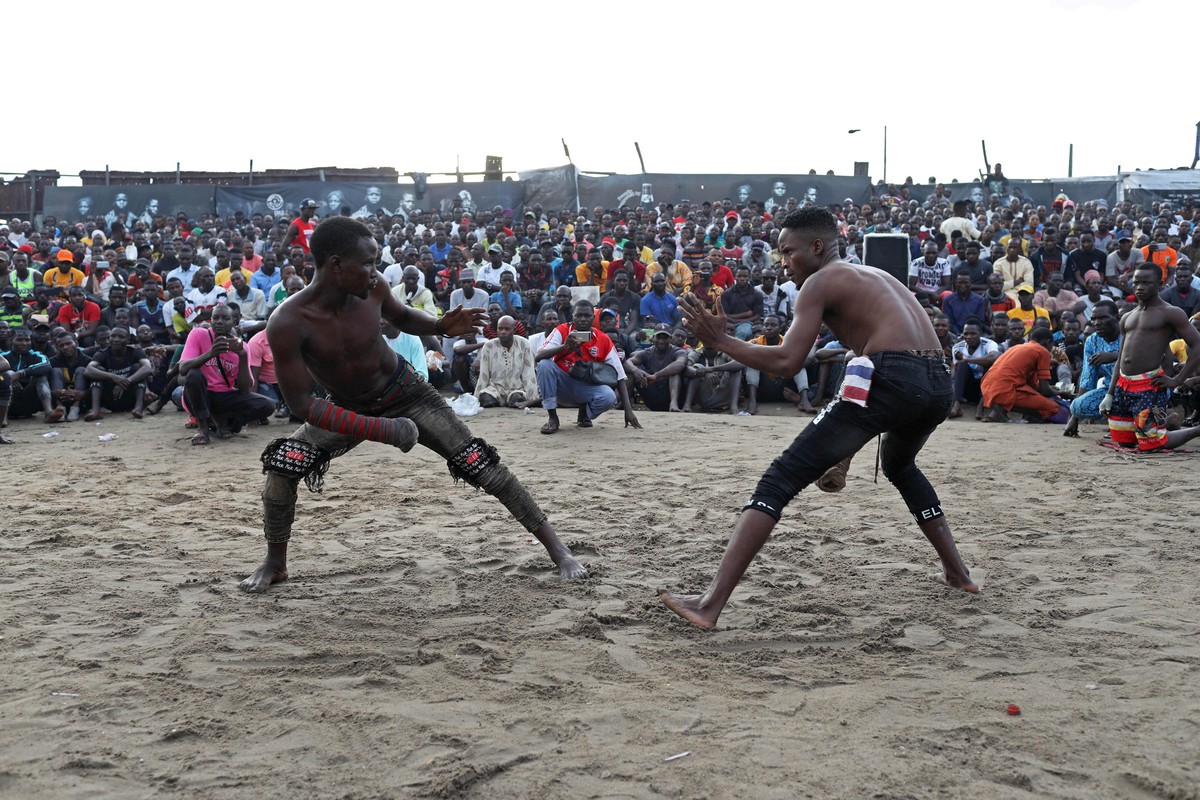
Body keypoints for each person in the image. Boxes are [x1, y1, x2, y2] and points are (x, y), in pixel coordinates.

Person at [660, 208, 977, 629]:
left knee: (779, 479)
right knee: (900, 466)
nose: (783, 262)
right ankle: (958, 573)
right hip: (937, 383)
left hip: (898, 378)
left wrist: (720, 340)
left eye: (787, 252)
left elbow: (789, 362)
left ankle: (708, 605)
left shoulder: (820, 280)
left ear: (816, 247)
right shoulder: (875, 276)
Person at [242, 216, 586, 593]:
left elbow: (402, 316)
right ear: (336, 264)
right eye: (368, 263)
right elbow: (303, 404)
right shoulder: (287, 321)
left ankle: (559, 551)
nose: (376, 273)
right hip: (344, 406)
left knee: (480, 463)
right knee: (283, 465)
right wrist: (380, 429)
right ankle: (276, 562)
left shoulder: (371, 290)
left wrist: (440, 326)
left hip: (407, 392)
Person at [1100, 263, 1200, 450]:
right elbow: (1121, 358)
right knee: (1125, 441)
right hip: (1124, 385)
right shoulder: (1127, 316)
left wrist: (1177, 380)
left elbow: (1197, 344)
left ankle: (1196, 430)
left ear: (1160, 284)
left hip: (1150, 386)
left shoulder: (1171, 312)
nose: (1139, 287)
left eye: (1146, 283)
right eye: (1136, 282)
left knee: (1151, 444)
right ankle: (1168, 423)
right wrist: (1110, 393)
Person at [534, 299, 640, 434]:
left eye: (587, 316)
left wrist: (628, 411)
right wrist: (564, 347)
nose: (582, 319)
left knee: (609, 397)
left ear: (593, 317)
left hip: (585, 388)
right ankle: (552, 418)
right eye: (578, 316)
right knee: (544, 365)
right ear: (572, 316)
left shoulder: (603, 339)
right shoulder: (562, 330)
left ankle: (584, 413)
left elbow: (620, 375)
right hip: (561, 386)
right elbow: (538, 356)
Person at [178, 304, 276, 445]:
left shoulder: (243, 347)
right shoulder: (198, 334)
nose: (219, 322)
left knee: (268, 405)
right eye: (215, 318)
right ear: (210, 320)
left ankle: (221, 419)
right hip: (199, 395)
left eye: (225, 318)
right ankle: (203, 429)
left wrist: (241, 355)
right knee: (194, 374)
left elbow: (244, 389)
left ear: (234, 322)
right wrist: (211, 353)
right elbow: (183, 368)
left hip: (224, 397)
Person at [979, 327, 1068, 423]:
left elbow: (1032, 386)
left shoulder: (1016, 347)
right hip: (1004, 390)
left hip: (988, 387)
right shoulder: (1043, 351)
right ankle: (1002, 407)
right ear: (1047, 342)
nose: (1051, 349)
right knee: (1053, 407)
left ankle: (1002, 409)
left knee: (1034, 395)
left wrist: (1051, 389)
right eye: (1052, 345)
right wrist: (1061, 393)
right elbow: (1044, 389)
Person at [1063, 300, 1120, 437]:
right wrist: (1074, 417)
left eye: (1103, 318)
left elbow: (1144, 358)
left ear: (1117, 318)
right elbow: (1088, 379)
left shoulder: (1130, 334)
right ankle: (1122, 422)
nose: (1097, 323)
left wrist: (1114, 356)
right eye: (1093, 319)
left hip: (1139, 388)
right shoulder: (1092, 341)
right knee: (1078, 406)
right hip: (1110, 392)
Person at [83, 326, 152, 420]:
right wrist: (113, 377)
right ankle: (95, 411)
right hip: (110, 398)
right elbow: (88, 370)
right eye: (113, 336)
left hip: (129, 396)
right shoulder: (102, 353)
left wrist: (127, 381)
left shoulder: (135, 351)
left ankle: (138, 408)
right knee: (98, 370)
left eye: (121, 337)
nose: (116, 339)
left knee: (138, 368)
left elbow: (147, 368)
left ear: (128, 340)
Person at [474, 315, 537, 408]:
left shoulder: (524, 344)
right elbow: (484, 374)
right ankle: (498, 400)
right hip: (495, 388)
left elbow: (529, 373)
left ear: (514, 330)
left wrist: (532, 397)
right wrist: (477, 398)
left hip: (518, 389)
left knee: (516, 399)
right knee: (485, 399)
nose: (503, 332)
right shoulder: (489, 346)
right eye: (500, 329)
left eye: (507, 329)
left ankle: (509, 400)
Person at [624, 323, 687, 412]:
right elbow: (627, 362)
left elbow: (680, 364)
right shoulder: (647, 352)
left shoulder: (678, 351)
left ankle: (673, 404)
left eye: (665, 338)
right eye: (658, 337)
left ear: (671, 339)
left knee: (674, 373)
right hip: (653, 395)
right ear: (653, 338)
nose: (661, 341)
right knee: (631, 371)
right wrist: (636, 371)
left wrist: (656, 375)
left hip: (670, 395)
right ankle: (623, 403)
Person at [948, 320, 999, 419]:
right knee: (961, 366)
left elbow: (992, 357)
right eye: (966, 333)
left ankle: (981, 407)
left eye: (973, 333)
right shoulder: (958, 347)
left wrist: (967, 360)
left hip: (986, 388)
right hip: (968, 389)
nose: (969, 337)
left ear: (980, 333)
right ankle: (956, 405)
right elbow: (955, 372)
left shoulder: (989, 343)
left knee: (990, 366)